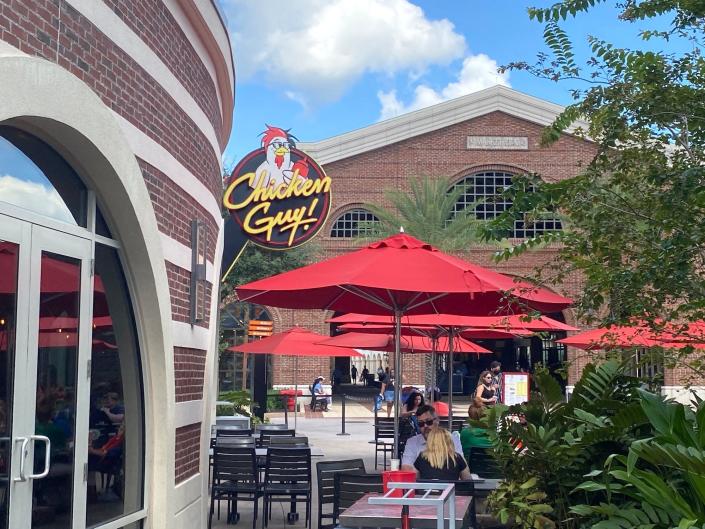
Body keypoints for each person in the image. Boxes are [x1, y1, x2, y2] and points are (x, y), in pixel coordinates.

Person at [401, 404, 464, 471]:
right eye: (421, 424)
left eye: (429, 422)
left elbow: (460, 465)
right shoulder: (412, 442)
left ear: (437, 420)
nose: (425, 426)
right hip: (421, 481)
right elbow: (406, 467)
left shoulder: (453, 439)